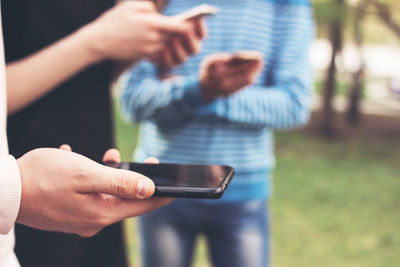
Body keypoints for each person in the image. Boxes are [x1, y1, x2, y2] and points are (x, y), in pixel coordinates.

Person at [0, 1, 202, 266]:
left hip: (93, 165)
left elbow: (94, 76)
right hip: (26, 180)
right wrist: (95, 42)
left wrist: (137, 45)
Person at [120, 0, 314, 266]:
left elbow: (294, 106)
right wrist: (202, 89)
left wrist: (202, 93)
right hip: (161, 185)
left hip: (243, 191)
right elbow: (133, 101)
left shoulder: (287, 4)